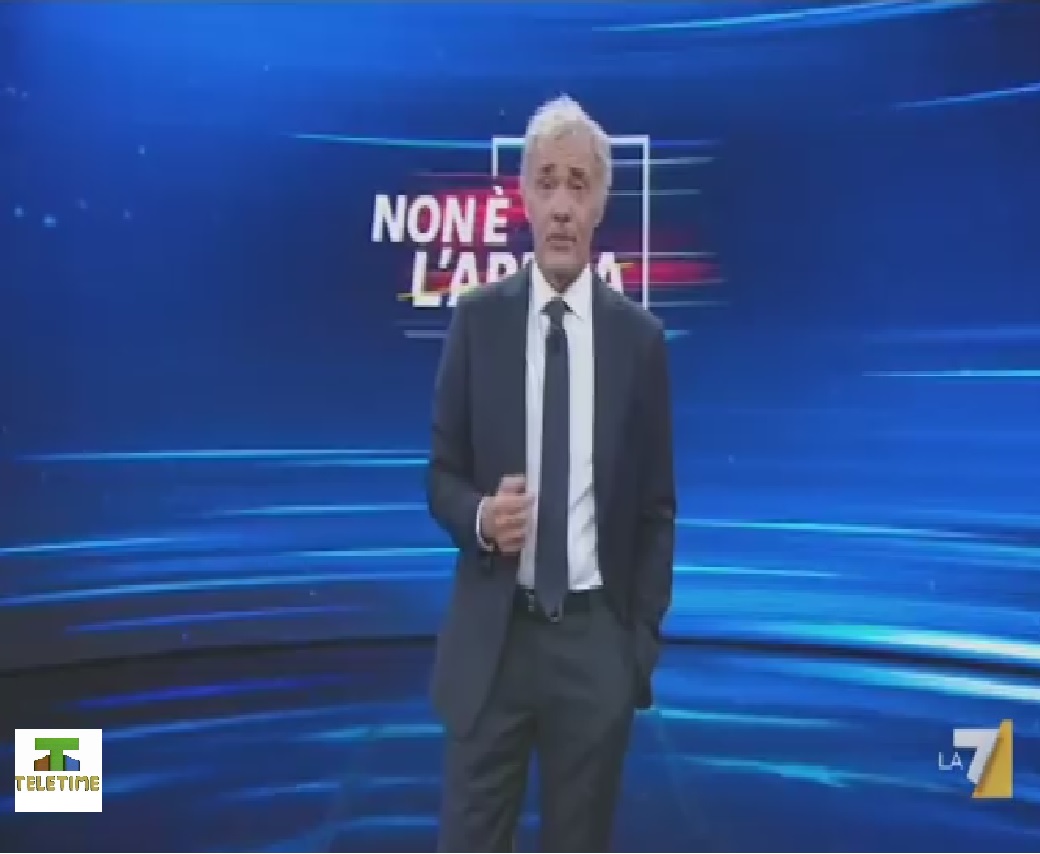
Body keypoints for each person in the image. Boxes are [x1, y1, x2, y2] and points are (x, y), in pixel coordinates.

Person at [425, 94, 676, 852]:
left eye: (578, 184)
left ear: (600, 204)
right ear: (525, 197)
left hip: (594, 645)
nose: (562, 204)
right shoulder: (477, 320)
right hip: (493, 642)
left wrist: (633, 651)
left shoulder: (640, 342)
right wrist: (480, 517)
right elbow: (441, 475)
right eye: (547, 182)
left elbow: (656, 510)